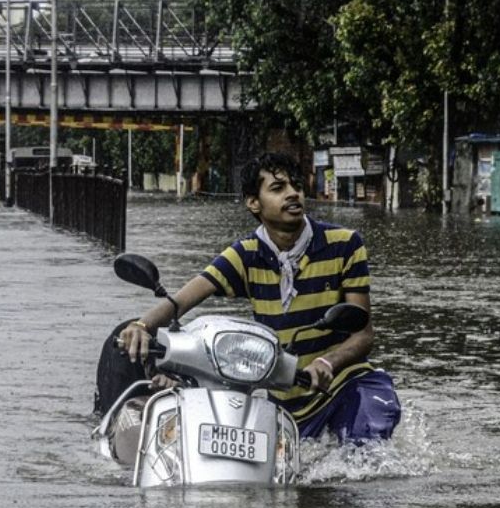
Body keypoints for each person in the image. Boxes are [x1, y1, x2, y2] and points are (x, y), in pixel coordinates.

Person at [103, 151, 401, 443]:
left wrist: (327, 362)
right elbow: (182, 300)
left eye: (296, 186)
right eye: (278, 188)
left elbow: (363, 335)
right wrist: (142, 326)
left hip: (342, 386)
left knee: (369, 422)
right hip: (283, 397)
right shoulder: (245, 253)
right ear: (253, 203)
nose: (293, 194)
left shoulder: (345, 244)